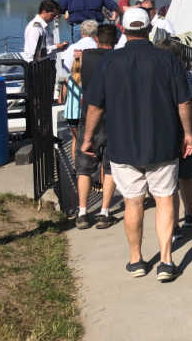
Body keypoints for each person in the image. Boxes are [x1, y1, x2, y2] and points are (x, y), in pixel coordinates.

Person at [80, 7, 192, 282]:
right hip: (163, 143)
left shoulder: (110, 61)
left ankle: (136, 260)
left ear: (123, 29)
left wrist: (87, 138)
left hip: (123, 145)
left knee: (133, 204)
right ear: (148, 30)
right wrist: (188, 134)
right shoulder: (167, 60)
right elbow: (184, 102)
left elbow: (94, 106)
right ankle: (166, 261)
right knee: (165, 200)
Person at [157, 39, 192, 237]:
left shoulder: (158, 78)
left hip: (166, 134)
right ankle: (189, 213)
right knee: (187, 177)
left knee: (168, 183)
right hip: (190, 134)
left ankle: (173, 225)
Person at [74, 23, 119, 230]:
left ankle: (82, 212)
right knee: (110, 166)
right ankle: (104, 211)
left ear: (96, 39)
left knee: (84, 167)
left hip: (89, 114)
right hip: (113, 117)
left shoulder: (86, 56)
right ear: (116, 41)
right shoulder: (119, 59)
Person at [63, 54, 83, 164]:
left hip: (70, 113)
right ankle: (83, 164)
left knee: (74, 139)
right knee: (83, 139)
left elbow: (63, 97)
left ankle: (75, 165)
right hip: (80, 113)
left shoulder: (68, 79)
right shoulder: (84, 80)